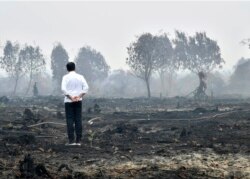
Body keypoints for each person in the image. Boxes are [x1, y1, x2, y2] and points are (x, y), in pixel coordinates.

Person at [61, 62, 89, 146]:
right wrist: (79, 96)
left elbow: (63, 89)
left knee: (70, 120)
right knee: (78, 119)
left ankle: (71, 141)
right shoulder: (80, 77)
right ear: (74, 68)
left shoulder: (65, 77)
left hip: (69, 102)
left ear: (67, 69)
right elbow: (86, 88)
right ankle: (78, 140)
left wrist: (71, 97)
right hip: (78, 101)